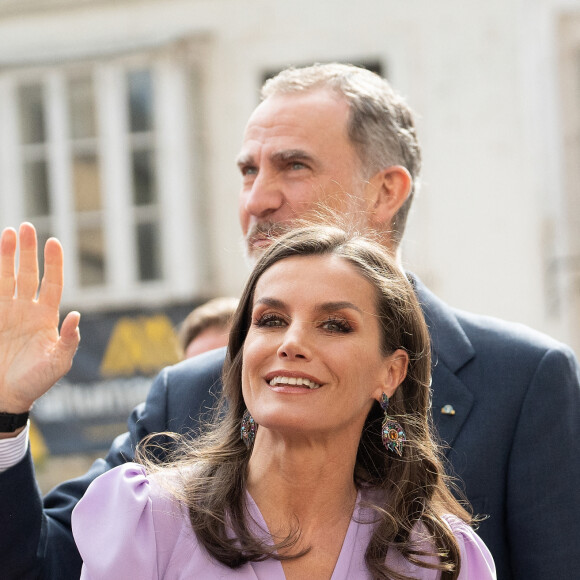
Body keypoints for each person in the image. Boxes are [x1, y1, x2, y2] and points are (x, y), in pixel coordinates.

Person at [0, 63, 578, 580]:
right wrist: (5, 416)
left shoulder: (525, 380)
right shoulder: (187, 393)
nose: (258, 199)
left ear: (386, 192)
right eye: (248, 171)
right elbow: (44, 562)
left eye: (292, 166)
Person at [71, 225, 496, 579]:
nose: (292, 343)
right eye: (271, 320)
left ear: (391, 372)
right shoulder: (148, 521)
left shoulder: (439, 559)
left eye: (334, 325)